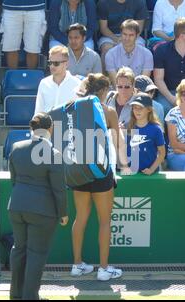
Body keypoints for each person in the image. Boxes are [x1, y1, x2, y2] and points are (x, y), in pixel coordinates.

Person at [71, 73, 131, 282]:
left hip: (78, 171)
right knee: (104, 221)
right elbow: (118, 143)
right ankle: (104, 269)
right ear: (104, 91)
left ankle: (77, 265)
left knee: (80, 218)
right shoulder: (109, 111)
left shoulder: (73, 109)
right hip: (102, 172)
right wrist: (125, 165)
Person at [8, 112, 68, 300]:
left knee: (19, 250)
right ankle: (30, 297)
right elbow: (59, 189)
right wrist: (63, 213)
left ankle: (16, 295)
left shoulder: (16, 147)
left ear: (31, 128)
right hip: (42, 211)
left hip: (17, 206)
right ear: (50, 129)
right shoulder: (54, 154)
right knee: (36, 254)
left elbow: (14, 180)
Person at [97, 0, 148, 65]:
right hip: (110, 36)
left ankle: (138, 75)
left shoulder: (139, 2)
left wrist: (127, 39)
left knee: (139, 48)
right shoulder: (103, 3)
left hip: (133, 35)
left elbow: (138, 29)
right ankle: (106, 75)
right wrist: (117, 39)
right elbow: (103, 28)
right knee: (106, 48)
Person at [105, 19, 154, 86]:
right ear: (121, 34)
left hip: (138, 92)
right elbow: (115, 83)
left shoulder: (147, 54)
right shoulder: (110, 55)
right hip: (118, 91)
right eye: (124, 34)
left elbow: (143, 83)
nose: (127, 38)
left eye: (131, 35)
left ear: (137, 36)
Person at [35, 46, 81, 114]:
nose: (52, 66)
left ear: (66, 64)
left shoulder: (78, 84)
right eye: (50, 63)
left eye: (56, 63)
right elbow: (38, 111)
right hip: (47, 124)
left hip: (67, 124)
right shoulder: (43, 83)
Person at [0, 0, 47, 69]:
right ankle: (13, 78)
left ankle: (31, 78)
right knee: (11, 48)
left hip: (35, 8)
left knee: (33, 49)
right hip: (10, 7)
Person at [127, 93, 166, 174]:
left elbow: (162, 153)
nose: (137, 111)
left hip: (150, 174)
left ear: (149, 109)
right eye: (134, 108)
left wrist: (151, 169)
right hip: (131, 174)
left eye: (140, 108)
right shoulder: (128, 127)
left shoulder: (156, 129)